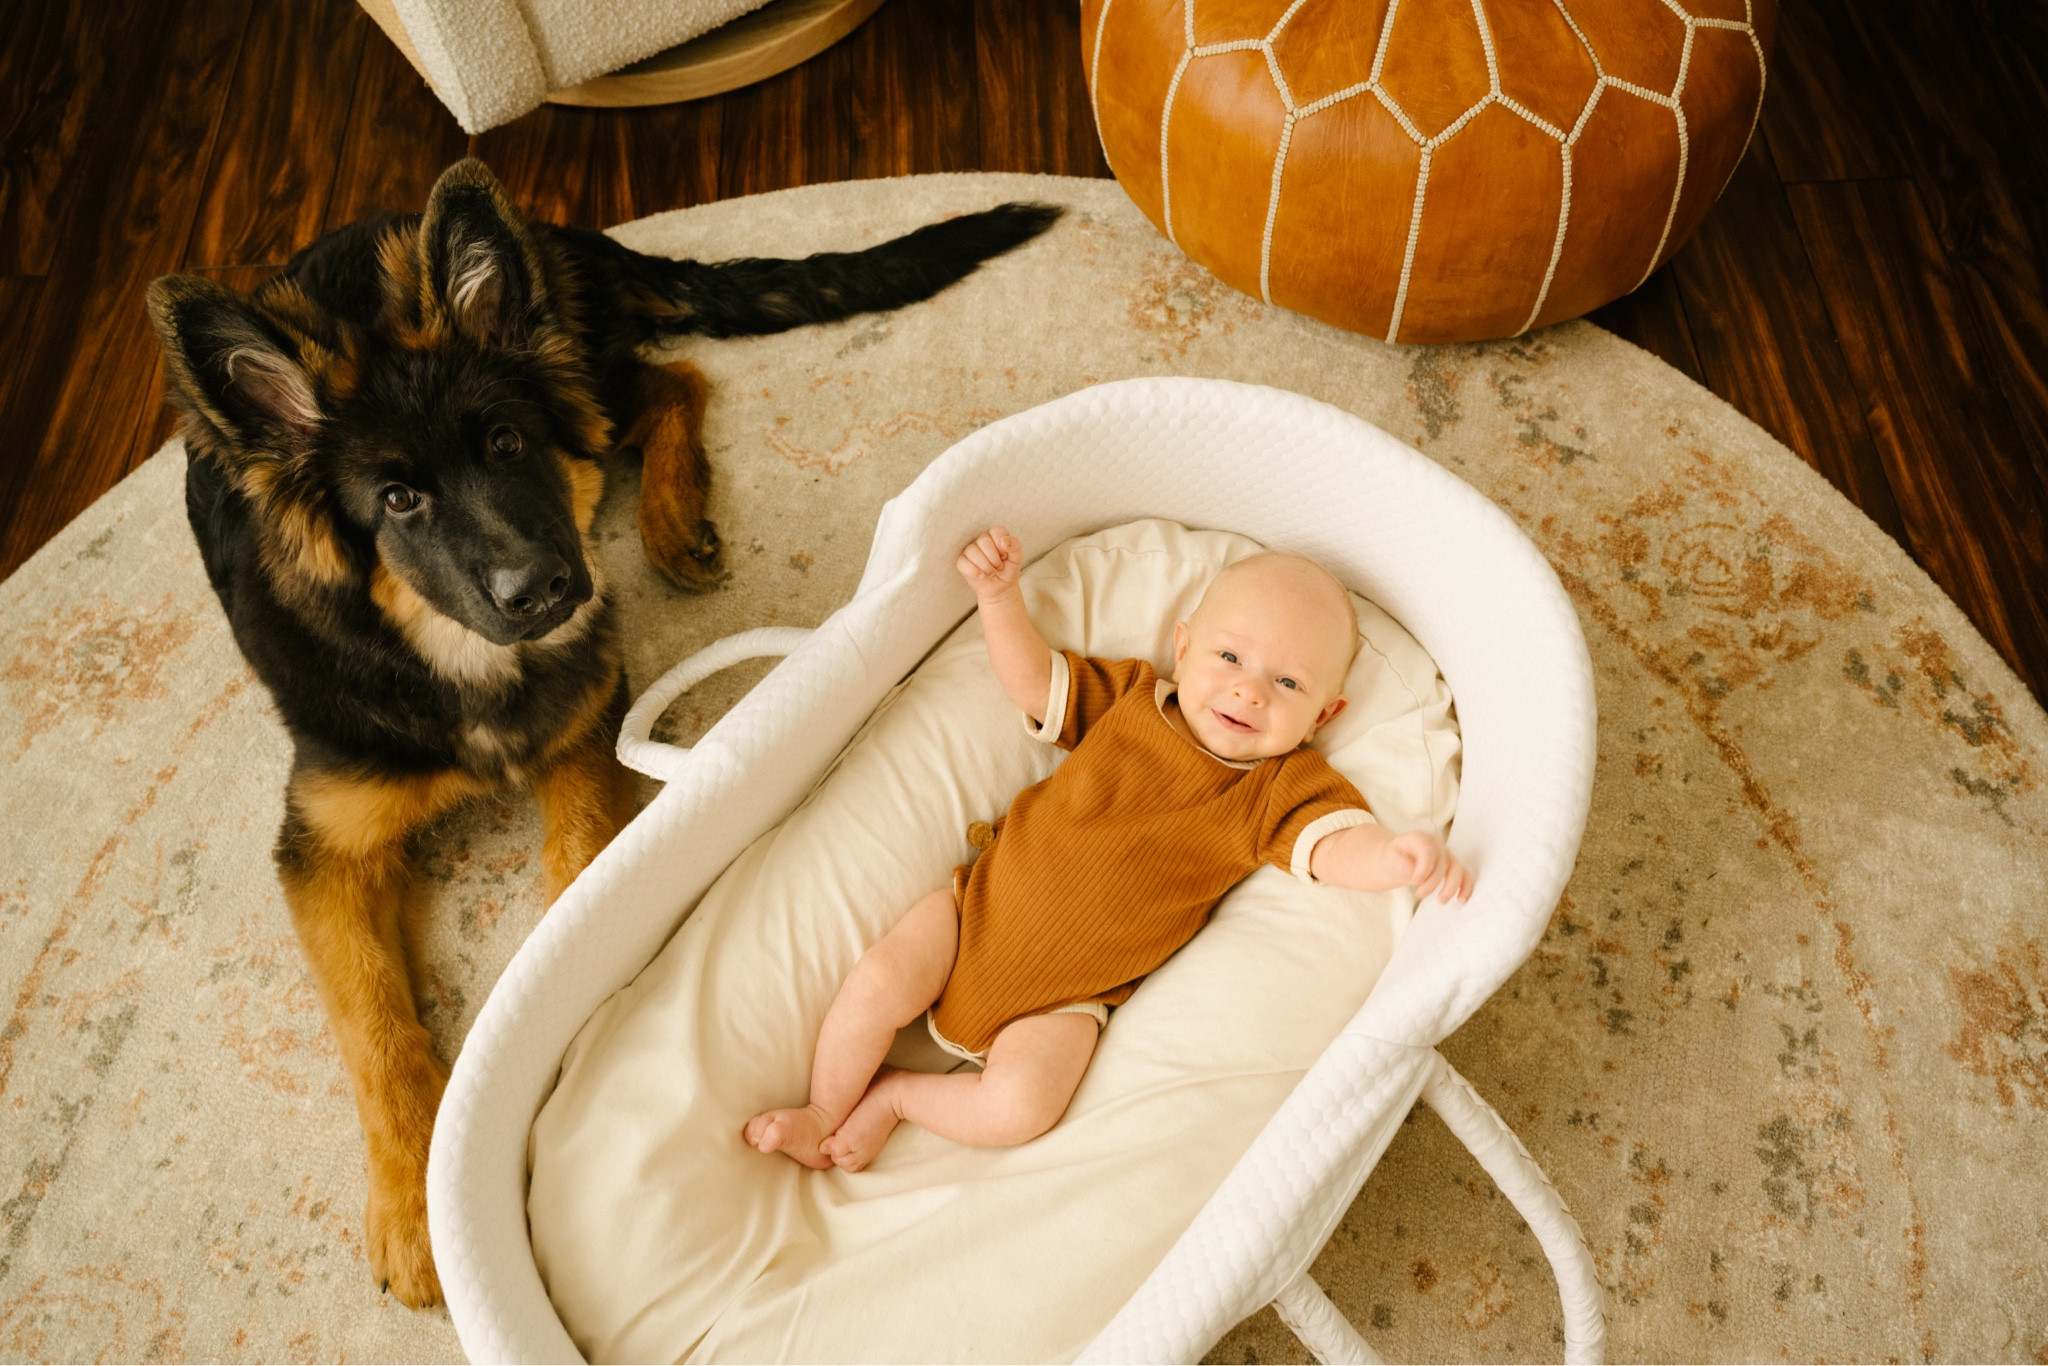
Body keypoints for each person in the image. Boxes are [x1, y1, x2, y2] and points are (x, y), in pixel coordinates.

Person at [745, 527, 1474, 1172]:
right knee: (877, 982)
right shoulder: (1130, 702)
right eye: (1229, 656)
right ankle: (821, 1109)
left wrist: (1395, 858)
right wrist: (999, 598)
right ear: (1183, 650)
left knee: (1021, 1108)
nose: (1249, 692)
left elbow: (1333, 848)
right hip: (974, 913)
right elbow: (1034, 683)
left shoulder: (1277, 791)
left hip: (1068, 1001)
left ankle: (899, 1099)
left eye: (1286, 682)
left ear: (1325, 713)